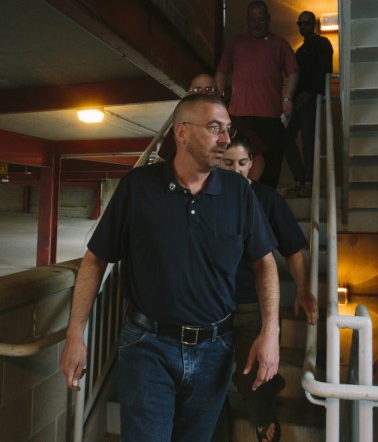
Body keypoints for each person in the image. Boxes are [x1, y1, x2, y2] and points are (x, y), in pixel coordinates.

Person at [60, 94, 282, 442]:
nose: (225, 139)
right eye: (214, 128)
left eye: (227, 129)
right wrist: (76, 334)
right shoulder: (138, 187)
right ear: (181, 132)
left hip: (215, 350)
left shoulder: (239, 192)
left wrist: (271, 332)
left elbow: (265, 263)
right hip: (148, 346)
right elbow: (95, 258)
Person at [214, 137, 318, 442]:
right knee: (207, 377)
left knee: (251, 372)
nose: (236, 170)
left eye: (242, 163)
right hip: (211, 305)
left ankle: (261, 415)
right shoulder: (205, 198)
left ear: (252, 165)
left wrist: (302, 289)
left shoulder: (267, 199)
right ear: (217, 164)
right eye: (228, 163)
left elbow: (293, 249)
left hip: (251, 305)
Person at [216, 0, 299, 189]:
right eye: (253, 20)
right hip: (240, 118)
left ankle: (264, 207)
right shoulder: (236, 43)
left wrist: (287, 98)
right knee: (238, 164)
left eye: (261, 19)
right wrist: (219, 99)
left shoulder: (279, 44)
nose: (257, 23)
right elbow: (221, 72)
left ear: (268, 19)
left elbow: (293, 73)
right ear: (247, 20)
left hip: (270, 118)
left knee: (270, 167)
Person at [157, 73, 267, 181]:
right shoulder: (181, 126)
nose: (204, 93)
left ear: (218, 94)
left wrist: (245, 189)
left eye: (210, 89)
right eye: (197, 90)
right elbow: (163, 161)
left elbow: (258, 160)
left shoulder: (235, 122)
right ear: (190, 94)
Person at [284, 11, 333, 198]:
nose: (303, 26)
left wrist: (310, 93)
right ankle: (302, 179)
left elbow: (324, 71)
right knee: (287, 137)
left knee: (308, 140)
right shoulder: (300, 50)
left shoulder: (321, 43)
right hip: (298, 100)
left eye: (306, 23)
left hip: (310, 99)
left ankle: (309, 181)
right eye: (300, 23)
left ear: (314, 24)